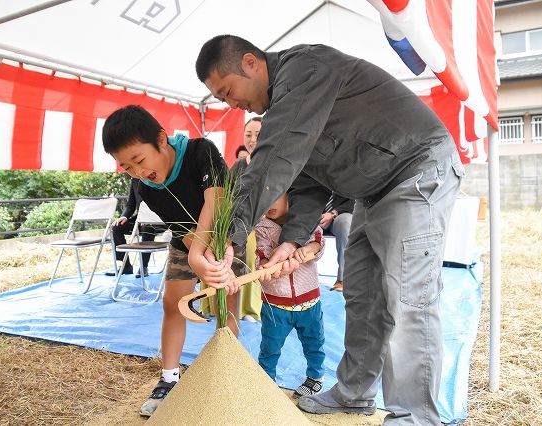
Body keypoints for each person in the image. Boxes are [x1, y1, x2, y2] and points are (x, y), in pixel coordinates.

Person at [191, 35, 465, 425]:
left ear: (251, 63)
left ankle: (416, 418)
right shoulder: (288, 106)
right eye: (220, 98)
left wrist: (230, 238)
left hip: (416, 170)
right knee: (363, 294)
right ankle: (355, 394)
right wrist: (291, 239)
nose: (230, 104)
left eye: (228, 91)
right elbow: (306, 182)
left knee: (408, 299)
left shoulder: (306, 68)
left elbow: (273, 159)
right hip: (373, 192)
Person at [102, 105, 240, 418]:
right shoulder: (143, 186)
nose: (137, 172)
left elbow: (216, 198)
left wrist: (209, 257)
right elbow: (181, 228)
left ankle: (229, 372)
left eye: (139, 160)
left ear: (161, 140)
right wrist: (196, 252)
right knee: (172, 304)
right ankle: (169, 379)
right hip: (186, 239)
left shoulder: (198, 151)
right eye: (126, 167)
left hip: (226, 234)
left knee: (226, 299)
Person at [255, 191, 326, 399]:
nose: (269, 204)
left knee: (314, 341)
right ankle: (266, 380)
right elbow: (262, 264)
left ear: (290, 197)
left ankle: (315, 377)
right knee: (270, 345)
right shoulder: (262, 228)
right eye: (264, 198)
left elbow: (319, 244)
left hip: (309, 300)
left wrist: (309, 248)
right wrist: (274, 266)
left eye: (276, 195)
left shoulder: (307, 219)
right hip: (276, 304)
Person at [105, 177, 155, 277]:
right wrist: (124, 216)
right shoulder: (135, 180)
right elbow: (130, 204)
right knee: (117, 227)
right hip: (139, 220)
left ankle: (143, 266)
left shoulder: (156, 176)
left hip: (159, 220)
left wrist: (149, 217)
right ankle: (126, 266)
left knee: (148, 226)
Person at [319, 193, 354, 292]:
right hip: (311, 213)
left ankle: (343, 280)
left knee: (345, 222)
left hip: (340, 213)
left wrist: (333, 213)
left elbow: (356, 198)